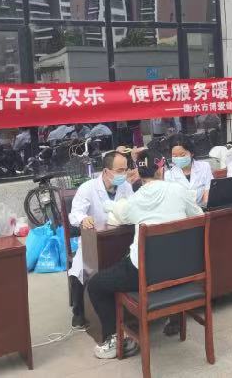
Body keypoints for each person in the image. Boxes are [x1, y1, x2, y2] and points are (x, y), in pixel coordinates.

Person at [87, 151, 203, 359]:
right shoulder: (179, 191)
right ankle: (174, 317)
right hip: (182, 269)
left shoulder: (135, 200)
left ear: (138, 174)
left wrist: (113, 206)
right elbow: (198, 217)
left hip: (146, 274)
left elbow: (119, 216)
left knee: (96, 284)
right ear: (161, 169)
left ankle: (117, 340)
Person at [67, 151, 135, 328]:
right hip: (93, 241)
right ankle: (79, 311)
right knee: (80, 267)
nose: (124, 174)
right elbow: (75, 214)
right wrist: (83, 219)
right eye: (119, 170)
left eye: (126, 169)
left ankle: (125, 309)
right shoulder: (87, 188)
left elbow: (133, 208)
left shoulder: (126, 187)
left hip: (121, 239)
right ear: (106, 171)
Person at [164, 135, 213, 207]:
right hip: (181, 211)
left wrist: (204, 209)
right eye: (174, 156)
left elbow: (208, 190)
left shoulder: (204, 167)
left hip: (203, 209)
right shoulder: (168, 175)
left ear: (192, 153)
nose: (179, 158)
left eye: (182, 155)